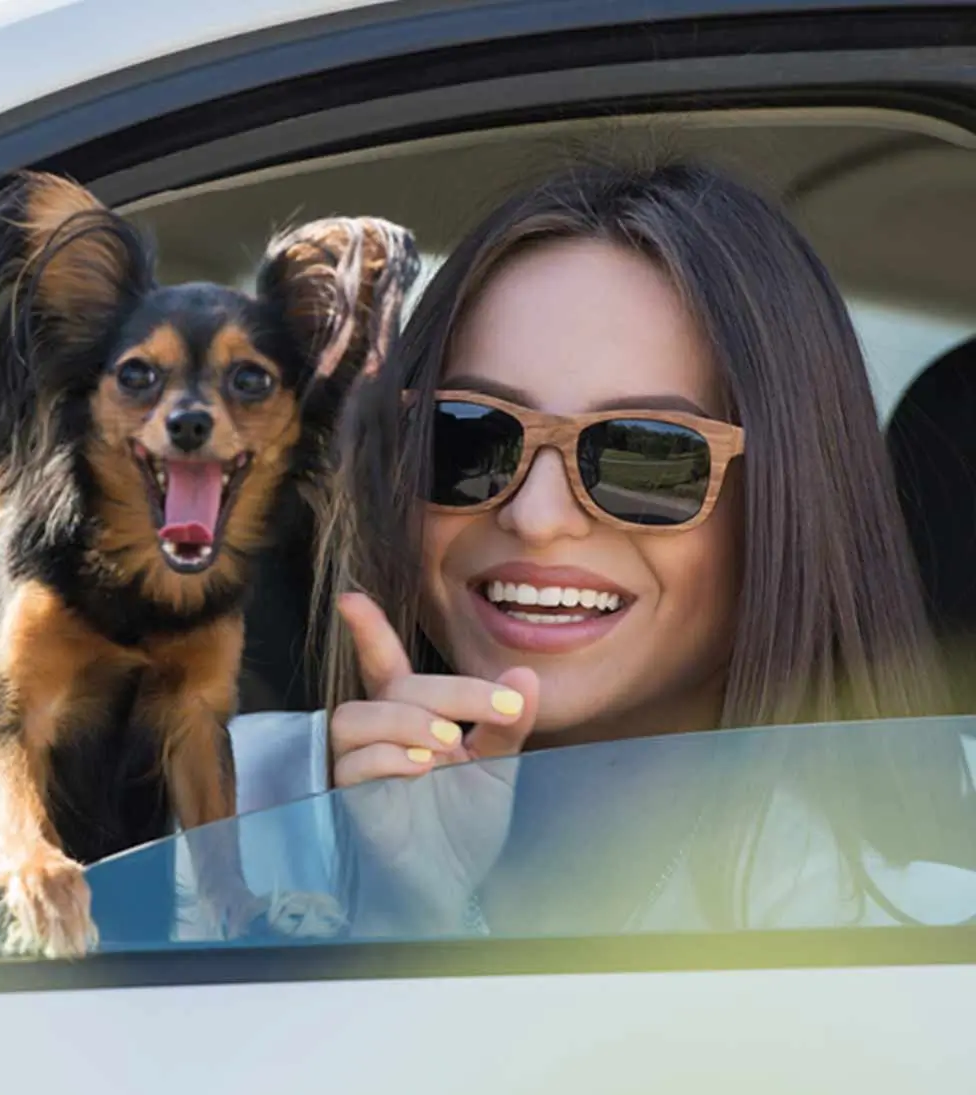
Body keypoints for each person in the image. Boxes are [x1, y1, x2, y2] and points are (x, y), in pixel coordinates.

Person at [203, 160, 976, 941]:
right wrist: (394, 914)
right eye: (467, 436)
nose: (537, 518)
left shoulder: (910, 928)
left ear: (787, 500)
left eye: (647, 454)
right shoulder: (204, 817)